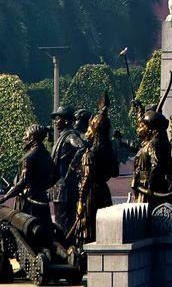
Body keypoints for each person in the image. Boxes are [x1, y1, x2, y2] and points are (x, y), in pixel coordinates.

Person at [73, 97, 120, 247]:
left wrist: (80, 201)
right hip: (103, 193)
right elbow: (115, 172)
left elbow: (86, 180)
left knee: (87, 229)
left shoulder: (90, 154)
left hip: (90, 195)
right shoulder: (108, 151)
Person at [0, 125, 58, 230]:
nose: (23, 139)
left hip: (28, 203)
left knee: (28, 233)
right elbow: (57, 175)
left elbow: (22, 182)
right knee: (45, 231)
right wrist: (42, 187)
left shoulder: (28, 157)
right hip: (42, 200)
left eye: (25, 136)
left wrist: (4, 198)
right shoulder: (46, 155)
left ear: (32, 138)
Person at [50, 105, 85, 236]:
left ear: (65, 120)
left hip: (65, 186)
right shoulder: (62, 136)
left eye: (57, 118)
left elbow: (82, 147)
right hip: (59, 186)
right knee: (61, 219)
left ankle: (67, 246)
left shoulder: (70, 136)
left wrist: (71, 167)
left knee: (64, 221)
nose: (54, 122)